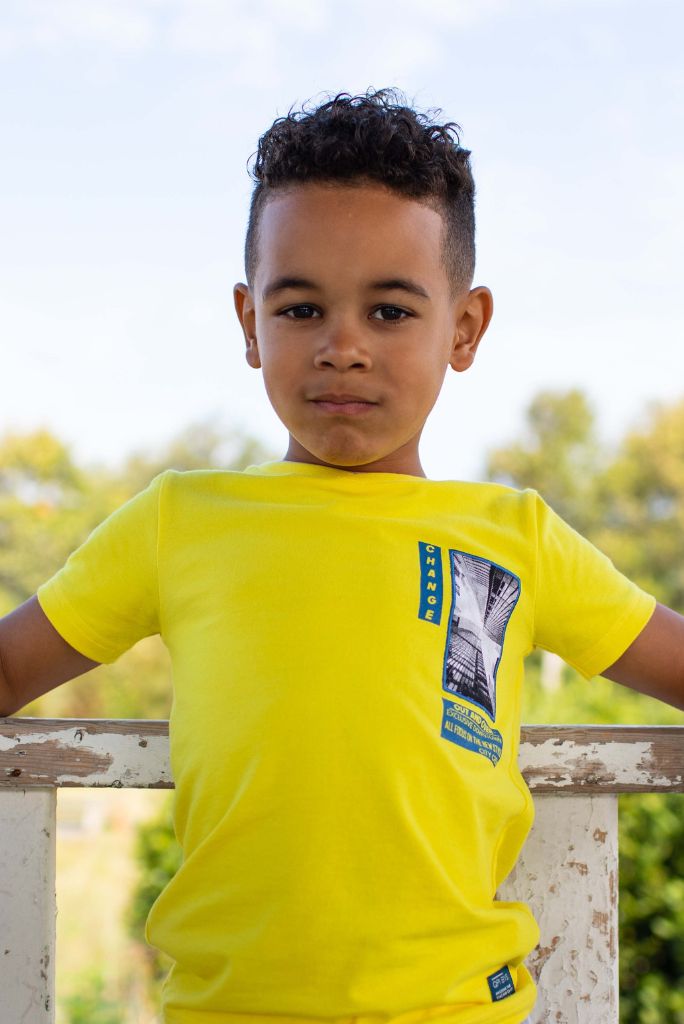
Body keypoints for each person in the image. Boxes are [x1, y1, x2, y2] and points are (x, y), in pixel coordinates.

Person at [0, 89, 682, 1024]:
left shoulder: (515, 537)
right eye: (303, 307)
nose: (343, 347)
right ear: (250, 323)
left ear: (466, 328)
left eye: (392, 311)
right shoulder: (179, 521)